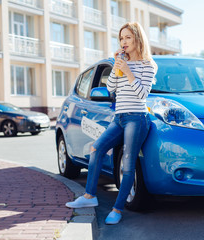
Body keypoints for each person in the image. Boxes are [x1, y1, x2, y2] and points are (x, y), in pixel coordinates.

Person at [65, 22, 157, 225]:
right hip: (119, 117)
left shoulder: (148, 65)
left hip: (137, 118)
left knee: (127, 164)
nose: (123, 42)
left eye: (128, 38)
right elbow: (111, 88)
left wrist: (129, 71)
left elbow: (143, 94)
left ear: (137, 39)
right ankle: (90, 197)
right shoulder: (120, 62)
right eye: (121, 38)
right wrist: (116, 68)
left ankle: (117, 209)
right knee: (96, 149)